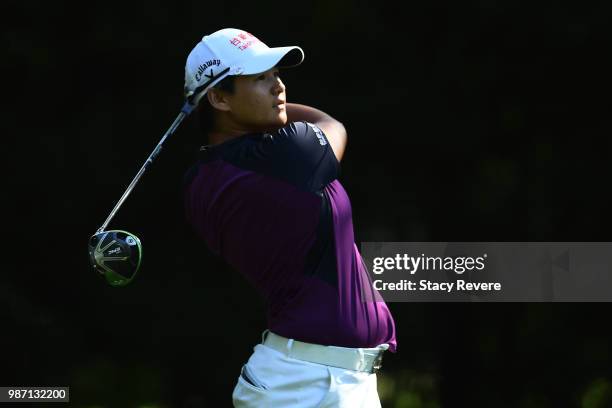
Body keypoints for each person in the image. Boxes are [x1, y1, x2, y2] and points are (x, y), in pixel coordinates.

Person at [182, 28, 397, 407]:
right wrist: (277, 117)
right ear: (218, 97)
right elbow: (332, 124)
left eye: (276, 75)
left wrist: (235, 112)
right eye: (260, 78)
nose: (278, 87)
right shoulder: (289, 156)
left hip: (311, 377)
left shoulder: (201, 180)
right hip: (310, 382)